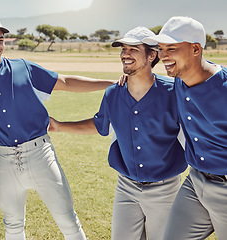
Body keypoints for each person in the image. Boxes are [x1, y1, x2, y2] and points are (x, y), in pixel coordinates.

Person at [0, 16, 116, 240]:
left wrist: (112, 83)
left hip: (41, 154)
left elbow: (66, 82)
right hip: (5, 160)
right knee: (12, 225)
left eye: (0, 40)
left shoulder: (23, 67)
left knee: (68, 221)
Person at [48, 27, 187, 240]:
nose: (125, 54)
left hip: (165, 189)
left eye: (133, 49)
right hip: (126, 188)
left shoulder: (174, 91)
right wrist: (59, 126)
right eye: (123, 49)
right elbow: (99, 125)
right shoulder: (113, 93)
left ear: (152, 55)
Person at [142, 16, 227, 239]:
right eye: (160, 49)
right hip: (196, 181)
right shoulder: (179, 80)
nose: (163, 56)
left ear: (196, 49)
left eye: (171, 48)